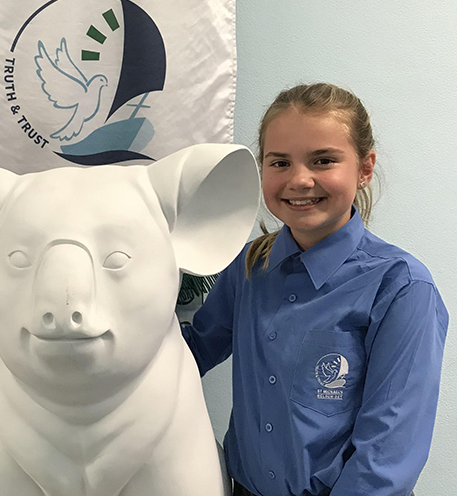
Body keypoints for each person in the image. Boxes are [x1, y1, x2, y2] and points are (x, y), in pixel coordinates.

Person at [182, 83, 448, 496]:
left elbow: (385, 458)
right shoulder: (249, 266)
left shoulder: (401, 288)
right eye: (280, 162)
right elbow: (190, 353)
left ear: (364, 169)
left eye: (323, 160)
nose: (300, 180)